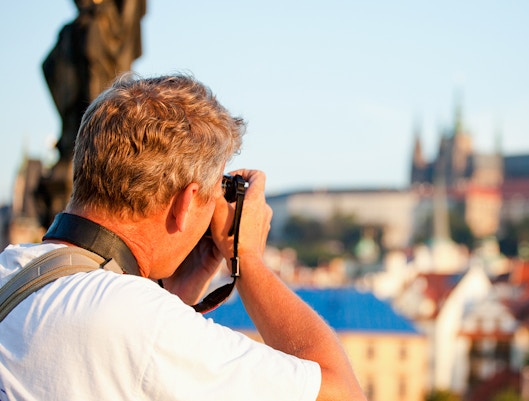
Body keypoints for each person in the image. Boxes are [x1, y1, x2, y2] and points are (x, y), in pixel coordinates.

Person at [0, 74, 366, 400]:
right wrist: (248, 257)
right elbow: (343, 395)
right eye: (214, 191)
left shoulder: (10, 268)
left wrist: (173, 296)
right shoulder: (142, 324)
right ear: (187, 203)